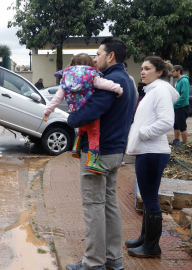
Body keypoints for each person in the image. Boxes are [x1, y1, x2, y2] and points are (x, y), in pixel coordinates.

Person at [66, 37, 135, 270]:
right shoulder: (127, 79)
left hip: (98, 155)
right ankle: (113, 259)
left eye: (98, 54)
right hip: (116, 152)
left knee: (93, 206)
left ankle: (93, 263)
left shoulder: (110, 80)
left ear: (111, 56)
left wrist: (71, 118)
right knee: (109, 204)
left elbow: (91, 112)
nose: (95, 59)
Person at [125, 56, 179, 258]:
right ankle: (144, 239)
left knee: (149, 200)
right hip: (147, 152)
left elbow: (167, 121)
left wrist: (143, 134)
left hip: (152, 152)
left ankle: (152, 247)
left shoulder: (161, 91)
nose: (142, 71)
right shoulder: (152, 91)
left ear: (159, 72)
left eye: (147, 68)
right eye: (142, 68)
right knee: (149, 199)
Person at [44, 53, 123, 174]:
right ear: (89, 63)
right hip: (89, 114)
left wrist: (48, 111)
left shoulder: (65, 76)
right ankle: (93, 162)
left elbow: (57, 98)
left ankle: (76, 148)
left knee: (81, 129)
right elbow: (104, 84)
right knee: (94, 135)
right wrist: (118, 89)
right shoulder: (91, 74)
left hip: (76, 113)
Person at [171, 65, 190, 146]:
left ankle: (185, 143)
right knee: (176, 124)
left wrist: (174, 104)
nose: (172, 73)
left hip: (182, 107)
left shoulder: (184, 81)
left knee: (182, 125)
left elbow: (184, 96)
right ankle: (176, 140)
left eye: (173, 71)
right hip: (176, 107)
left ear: (178, 71)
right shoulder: (178, 81)